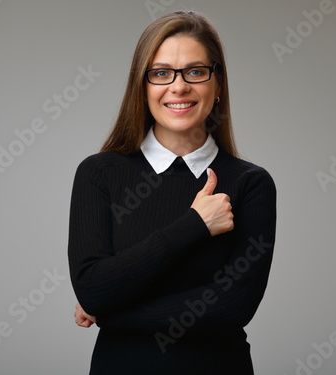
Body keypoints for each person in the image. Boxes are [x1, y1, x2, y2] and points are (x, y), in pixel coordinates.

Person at [68, 10, 276, 375]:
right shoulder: (99, 174)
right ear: (142, 85)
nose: (178, 87)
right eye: (161, 73)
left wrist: (111, 311)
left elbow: (232, 308)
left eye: (195, 71)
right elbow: (94, 289)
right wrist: (194, 225)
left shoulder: (250, 184)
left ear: (218, 83)